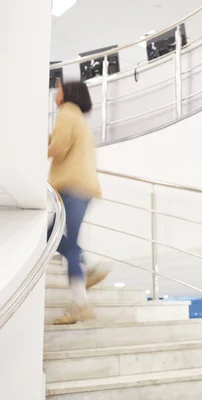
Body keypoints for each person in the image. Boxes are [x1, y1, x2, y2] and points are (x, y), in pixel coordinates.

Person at [48, 80, 107, 325]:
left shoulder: (66, 114)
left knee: (57, 239)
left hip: (73, 187)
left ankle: (81, 304)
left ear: (68, 94)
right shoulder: (79, 120)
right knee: (53, 235)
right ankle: (87, 266)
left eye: (59, 89)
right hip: (82, 186)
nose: (55, 92)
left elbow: (59, 149)